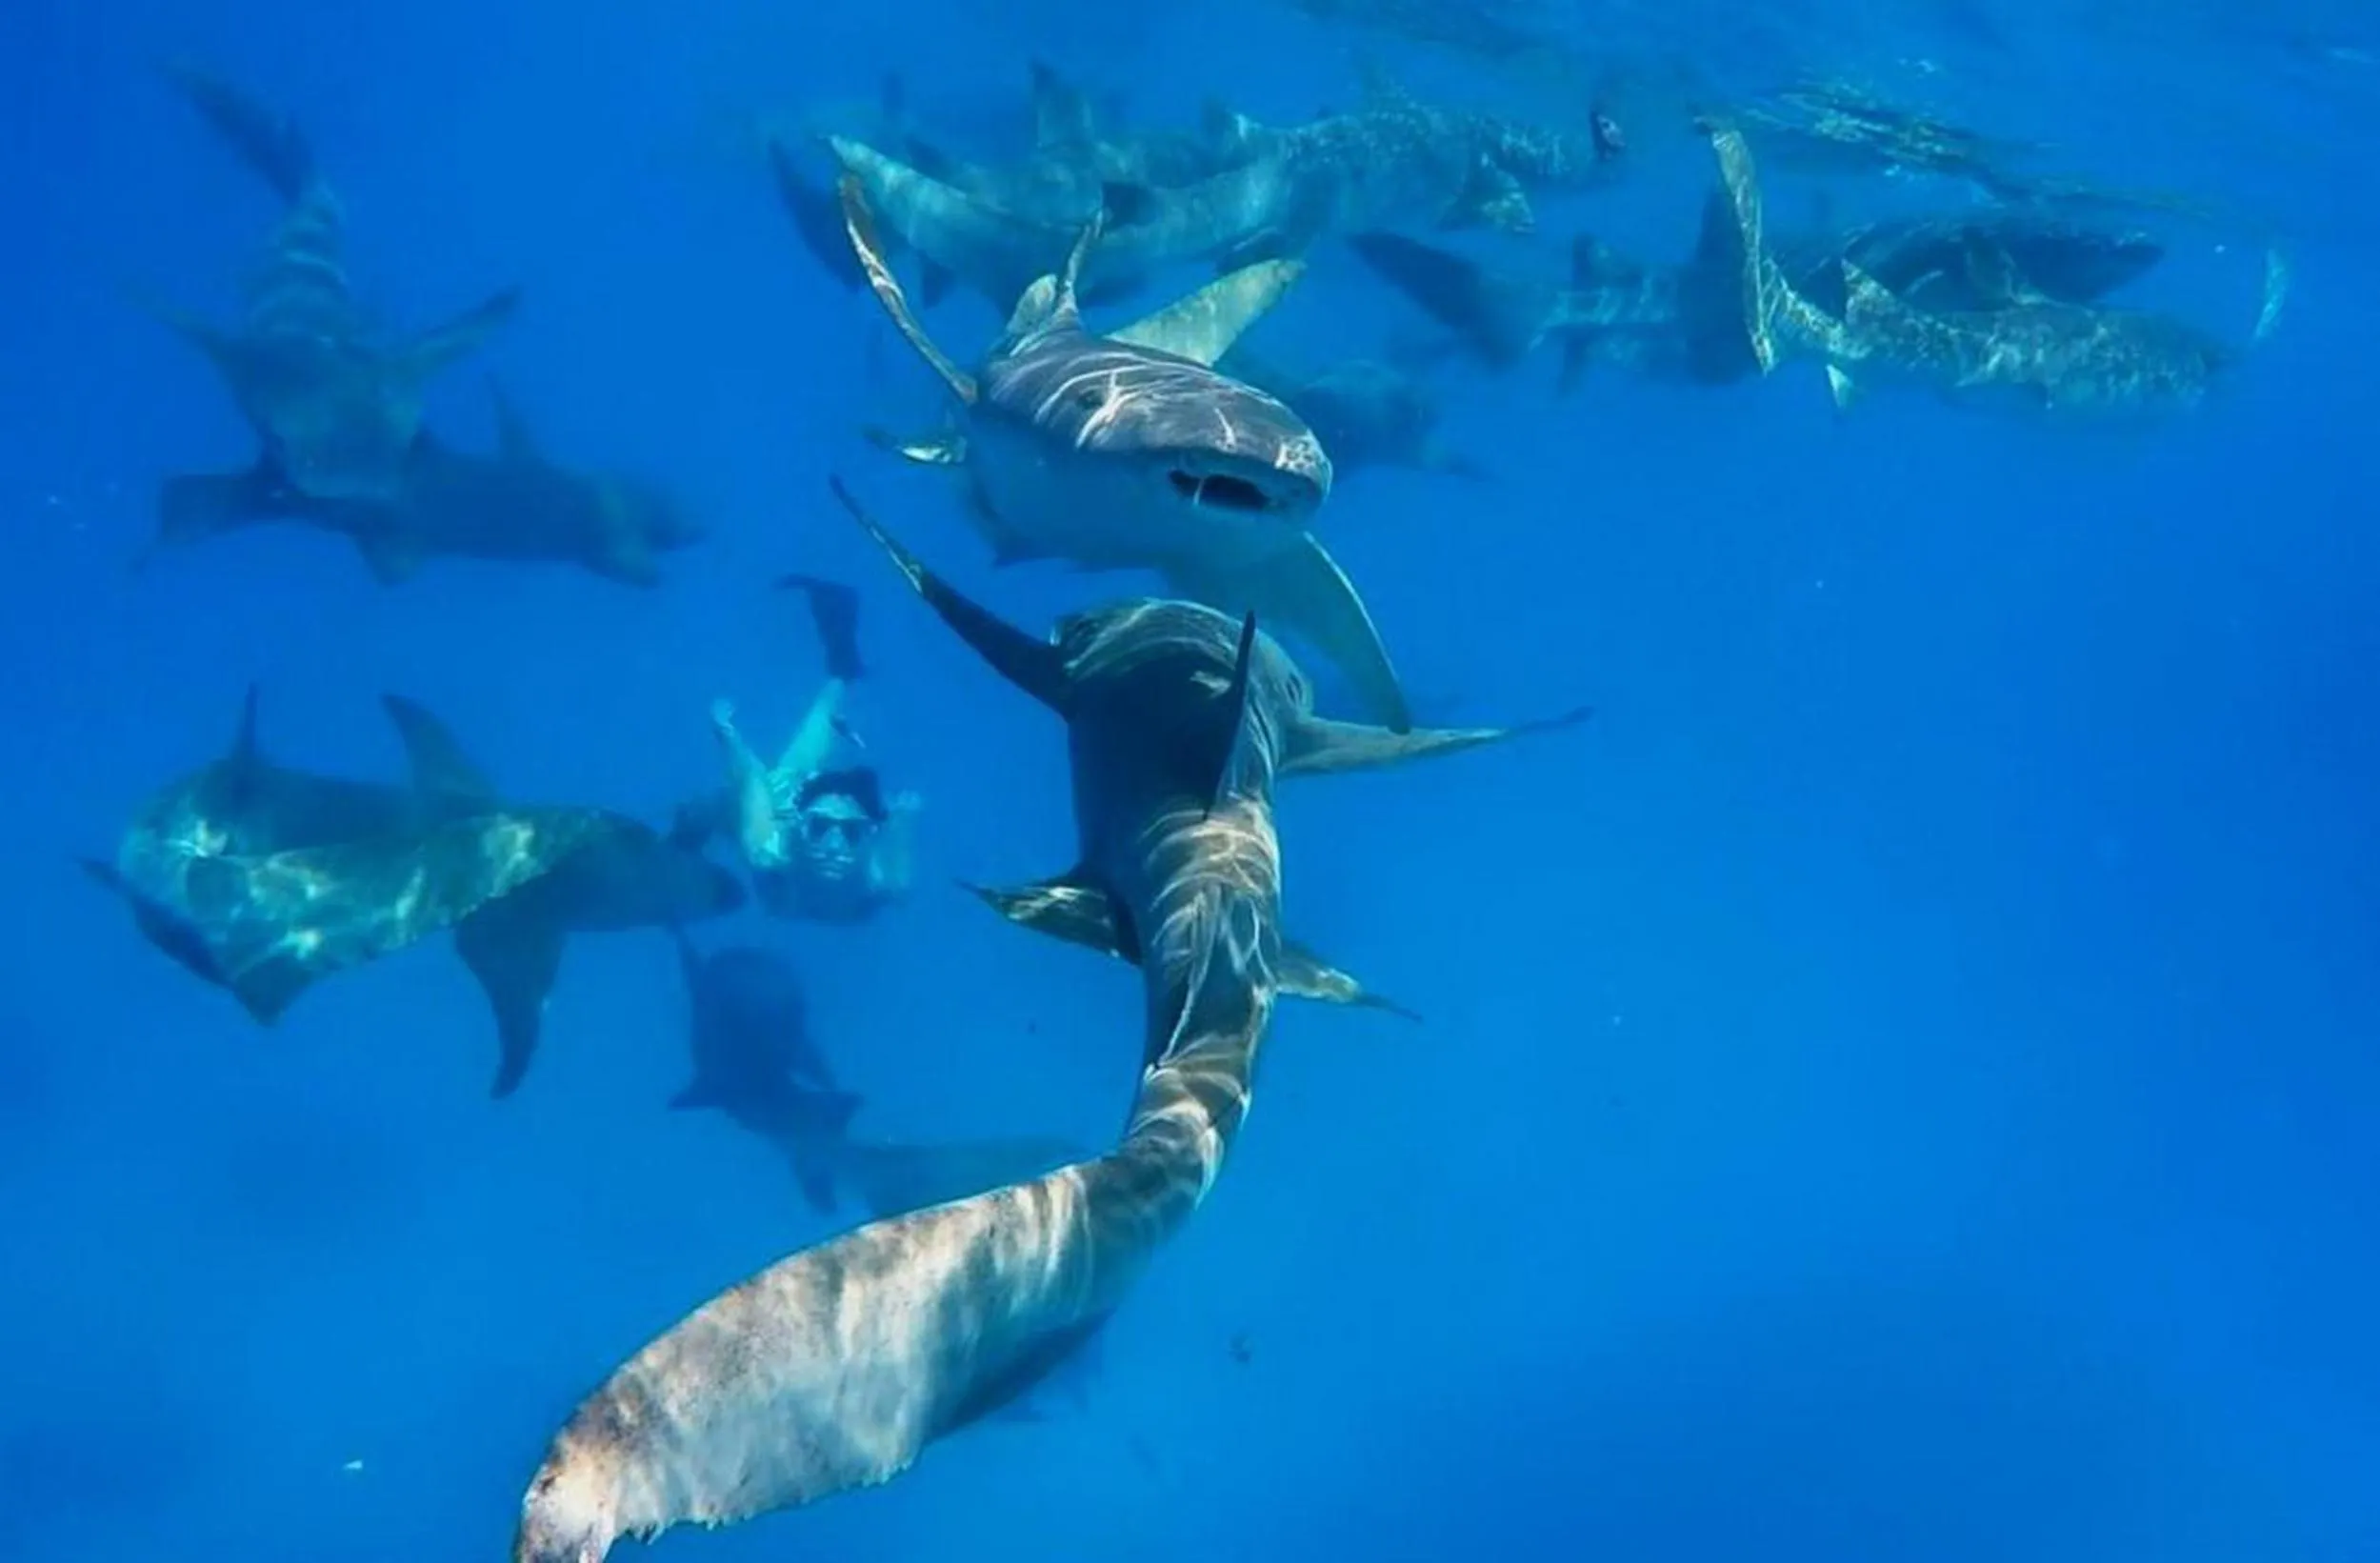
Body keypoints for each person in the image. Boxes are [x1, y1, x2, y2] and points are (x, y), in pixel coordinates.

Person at [689, 575, 919, 924]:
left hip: (801, 800)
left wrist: (901, 818)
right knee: (701, 814)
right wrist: (726, 733)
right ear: (799, 824)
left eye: (852, 833)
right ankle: (841, 634)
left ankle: (840, 633)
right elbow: (752, 778)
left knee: (833, 699)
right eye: (820, 828)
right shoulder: (767, 849)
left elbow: (897, 839)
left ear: (869, 834)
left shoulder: (884, 881)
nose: (834, 847)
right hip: (780, 792)